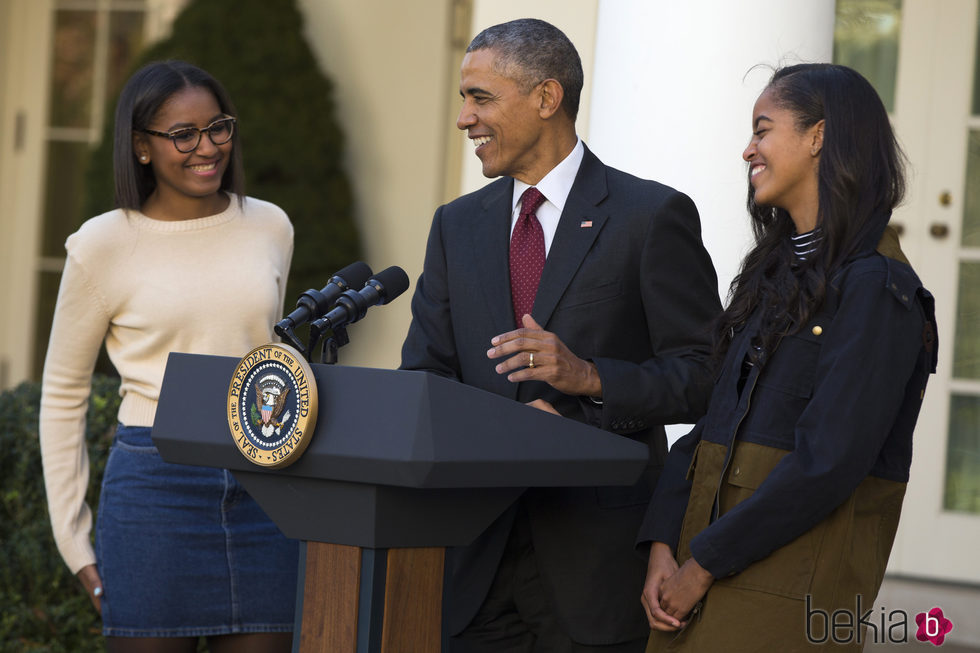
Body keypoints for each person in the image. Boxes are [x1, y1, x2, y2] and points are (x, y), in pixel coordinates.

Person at [400, 18, 721, 653]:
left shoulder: (651, 217)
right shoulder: (455, 226)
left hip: (595, 568)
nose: (464, 118)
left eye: (480, 97)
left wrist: (592, 378)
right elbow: (425, 378)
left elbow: (705, 375)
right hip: (474, 563)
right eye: (465, 98)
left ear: (546, 98)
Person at [638, 63, 938, 652]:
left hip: (782, 599)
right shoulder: (775, 275)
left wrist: (702, 564)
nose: (747, 149)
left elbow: (829, 460)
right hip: (696, 580)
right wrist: (662, 546)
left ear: (818, 137)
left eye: (763, 129)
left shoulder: (878, 288)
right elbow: (711, 426)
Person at [39, 60, 297, 652]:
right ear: (142, 147)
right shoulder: (102, 244)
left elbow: (269, 356)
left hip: (266, 488)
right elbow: (63, 394)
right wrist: (73, 539)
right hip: (156, 496)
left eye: (219, 128)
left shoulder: (269, 226)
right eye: (183, 134)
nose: (207, 149)